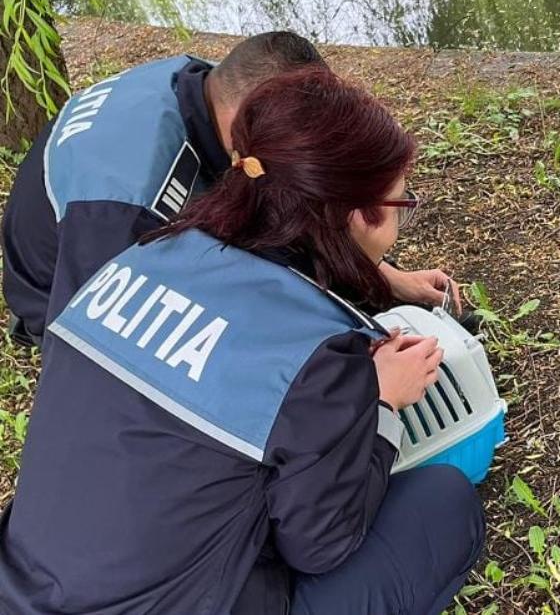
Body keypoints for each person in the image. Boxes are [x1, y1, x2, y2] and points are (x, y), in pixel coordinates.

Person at [0, 68, 485, 614]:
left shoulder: (137, 256)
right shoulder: (314, 357)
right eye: (404, 202)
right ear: (358, 214)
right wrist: (379, 405)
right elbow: (321, 543)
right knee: (443, 504)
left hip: (24, 589)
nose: (403, 216)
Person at [1, 32, 461, 349]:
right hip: (68, 293)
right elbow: (100, 341)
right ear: (250, 113)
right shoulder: (130, 206)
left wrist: (382, 277)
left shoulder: (203, 84)